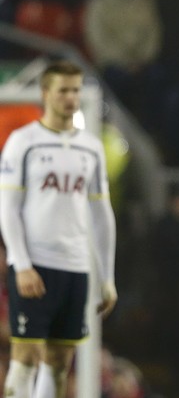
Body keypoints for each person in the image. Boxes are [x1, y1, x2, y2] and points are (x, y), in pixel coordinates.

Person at [0, 60, 117, 398]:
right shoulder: (24, 142)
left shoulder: (91, 147)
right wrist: (21, 264)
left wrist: (106, 276)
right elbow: (7, 207)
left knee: (59, 360)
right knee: (25, 357)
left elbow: (101, 213)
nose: (71, 98)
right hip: (35, 263)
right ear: (46, 93)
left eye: (76, 90)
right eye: (63, 90)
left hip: (75, 265)